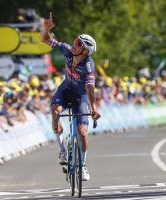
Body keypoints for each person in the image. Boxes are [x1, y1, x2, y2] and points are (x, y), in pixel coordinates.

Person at [41, 12, 101, 181]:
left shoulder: (89, 66)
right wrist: (46, 29)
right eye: (75, 41)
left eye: (78, 44)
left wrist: (93, 108)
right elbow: (45, 40)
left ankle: (82, 166)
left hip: (81, 96)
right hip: (65, 89)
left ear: (85, 51)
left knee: (82, 132)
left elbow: (90, 88)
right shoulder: (67, 50)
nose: (74, 44)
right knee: (55, 111)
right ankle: (62, 150)